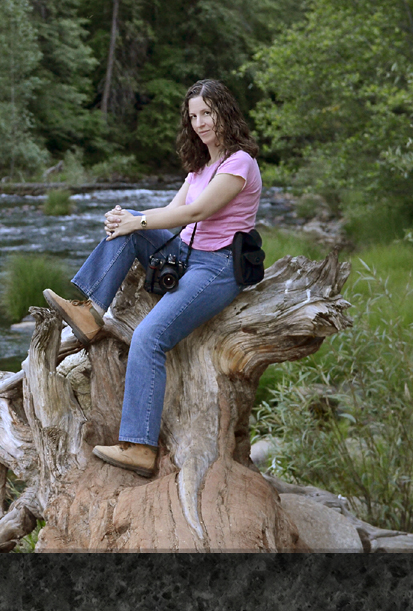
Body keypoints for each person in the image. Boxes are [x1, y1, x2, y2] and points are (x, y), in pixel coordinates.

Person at [43, 79, 262, 478]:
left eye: (207, 113)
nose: (200, 122)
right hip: (188, 254)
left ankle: (141, 446)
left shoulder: (239, 163)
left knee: (149, 337)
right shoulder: (200, 165)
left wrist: (136, 220)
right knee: (127, 230)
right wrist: (127, 221)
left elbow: (195, 214)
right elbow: (171, 209)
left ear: (224, 113)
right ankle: (92, 311)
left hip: (219, 268)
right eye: (193, 115)